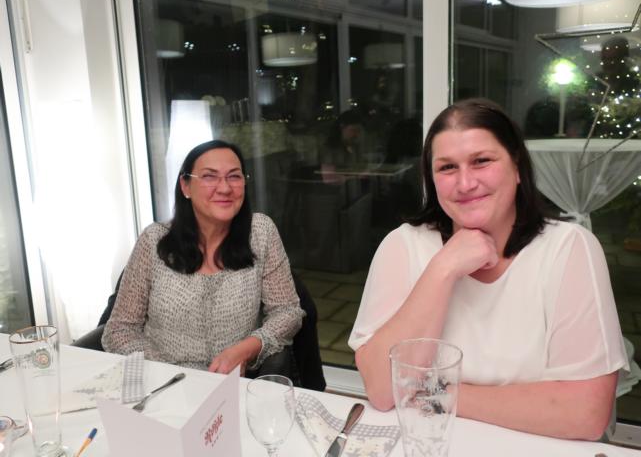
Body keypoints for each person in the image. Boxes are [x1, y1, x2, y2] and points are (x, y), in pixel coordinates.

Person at [348, 98, 628, 440]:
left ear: (517, 167)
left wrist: (438, 392)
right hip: (431, 444)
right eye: (447, 168)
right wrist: (443, 269)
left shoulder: (569, 248)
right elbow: (382, 390)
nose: (465, 183)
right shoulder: (403, 245)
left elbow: (585, 414)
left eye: (481, 161)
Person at [103, 140, 304, 374]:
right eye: (209, 176)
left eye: (234, 176)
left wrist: (246, 349)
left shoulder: (260, 232)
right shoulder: (153, 240)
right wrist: (170, 373)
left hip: (231, 384)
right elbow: (120, 330)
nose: (225, 188)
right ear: (185, 186)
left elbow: (287, 311)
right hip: (161, 383)